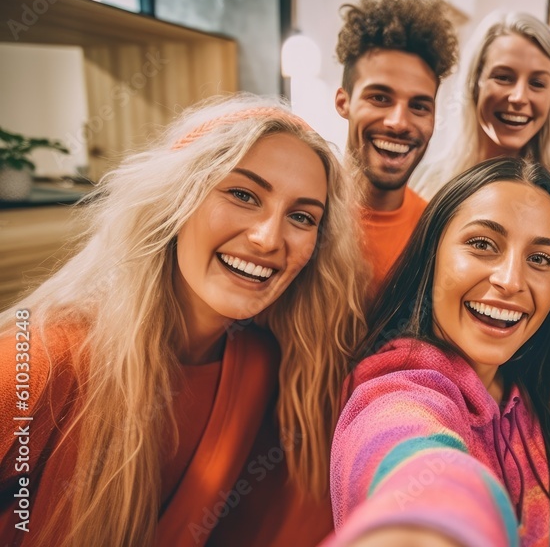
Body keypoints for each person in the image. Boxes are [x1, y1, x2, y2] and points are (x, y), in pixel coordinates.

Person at [0, 94, 367, 546]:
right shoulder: (40, 358)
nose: (269, 238)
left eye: (301, 217)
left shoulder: (260, 366)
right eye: (242, 194)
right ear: (178, 199)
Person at [327, 158, 550, 547]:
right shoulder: (392, 396)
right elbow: (411, 462)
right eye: (483, 244)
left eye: (540, 259)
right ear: (432, 254)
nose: (510, 281)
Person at [334, 0, 459, 289]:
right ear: (343, 102)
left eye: (418, 106)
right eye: (379, 98)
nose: (398, 123)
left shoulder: (436, 235)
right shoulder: (302, 215)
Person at [412, 12, 550, 197]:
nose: (519, 97)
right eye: (503, 77)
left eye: (537, 83)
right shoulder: (422, 183)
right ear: (474, 82)